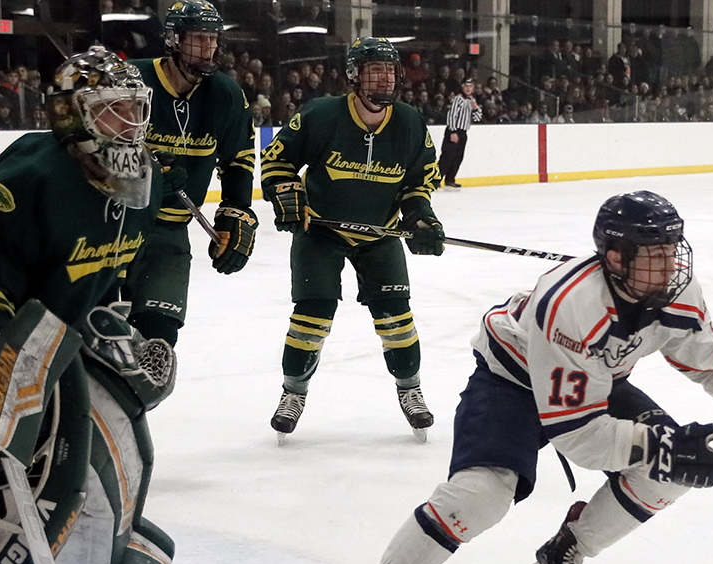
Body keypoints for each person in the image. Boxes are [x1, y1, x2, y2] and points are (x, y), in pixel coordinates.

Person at [317, 190, 713, 564]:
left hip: (592, 380)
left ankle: (567, 548)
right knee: (480, 495)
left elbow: (706, 352)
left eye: (673, 248)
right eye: (656, 253)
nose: (672, 263)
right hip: (513, 378)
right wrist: (663, 446)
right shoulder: (573, 305)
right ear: (615, 257)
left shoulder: (673, 289)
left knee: (669, 473)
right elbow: (579, 437)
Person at [0, 46, 178, 564]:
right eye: (112, 113)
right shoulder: (30, 178)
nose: (130, 126)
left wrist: (124, 326)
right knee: (53, 473)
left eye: (136, 110)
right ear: (72, 118)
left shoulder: (138, 178)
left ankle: (87, 552)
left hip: (55, 340)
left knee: (94, 452)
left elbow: (107, 271)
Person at [259, 37, 445, 439]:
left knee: (397, 319)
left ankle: (410, 391)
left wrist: (420, 218)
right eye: (374, 70)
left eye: (390, 70)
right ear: (354, 76)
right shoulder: (322, 115)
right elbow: (277, 160)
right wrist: (287, 195)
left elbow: (420, 182)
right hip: (320, 232)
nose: (384, 78)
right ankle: (293, 393)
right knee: (311, 317)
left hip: (379, 235)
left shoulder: (410, 122)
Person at [125, 0, 257, 375]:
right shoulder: (132, 81)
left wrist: (236, 211)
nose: (208, 48)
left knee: (158, 340)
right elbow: (91, 147)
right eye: (198, 39)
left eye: (212, 39)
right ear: (173, 40)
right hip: (114, 226)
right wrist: (143, 173)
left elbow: (239, 160)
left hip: (169, 235)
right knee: (98, 331)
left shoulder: (226, 95)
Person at [439, 79, 480, 189]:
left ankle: (450, 179)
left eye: (470, 86)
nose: (468, 88)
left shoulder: (472, 100)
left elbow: (477, 118)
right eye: (466, 86)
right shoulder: (458, 99)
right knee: (447, 157)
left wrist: (476, 108)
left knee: (458, 157)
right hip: (454, 130)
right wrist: (452, 131)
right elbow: (451, 115)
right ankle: (436, 179)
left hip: (463, 132)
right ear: (462, 87)